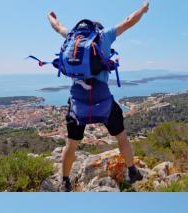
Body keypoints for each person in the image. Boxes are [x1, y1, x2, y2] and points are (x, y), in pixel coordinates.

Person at [47, 2, 150, 192]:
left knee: (71, 144)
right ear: (98, 29)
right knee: (122, 137)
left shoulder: (72, 36)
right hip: (104, 101)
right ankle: (132, 170)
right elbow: (129, 21)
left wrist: (50, 17)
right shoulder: (105, 36)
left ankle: (66, 180)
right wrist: (143, 9)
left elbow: (57, 27)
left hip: (78, 101)